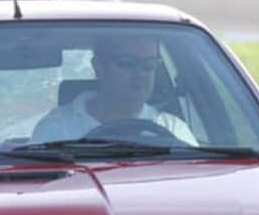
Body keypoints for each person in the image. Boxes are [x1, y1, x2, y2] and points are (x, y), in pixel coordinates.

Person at [31, 35, 197, 145]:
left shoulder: (173, 129)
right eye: (128, 63)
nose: (141, 73)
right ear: (98, 67)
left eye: (150, 65)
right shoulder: (57, 129)